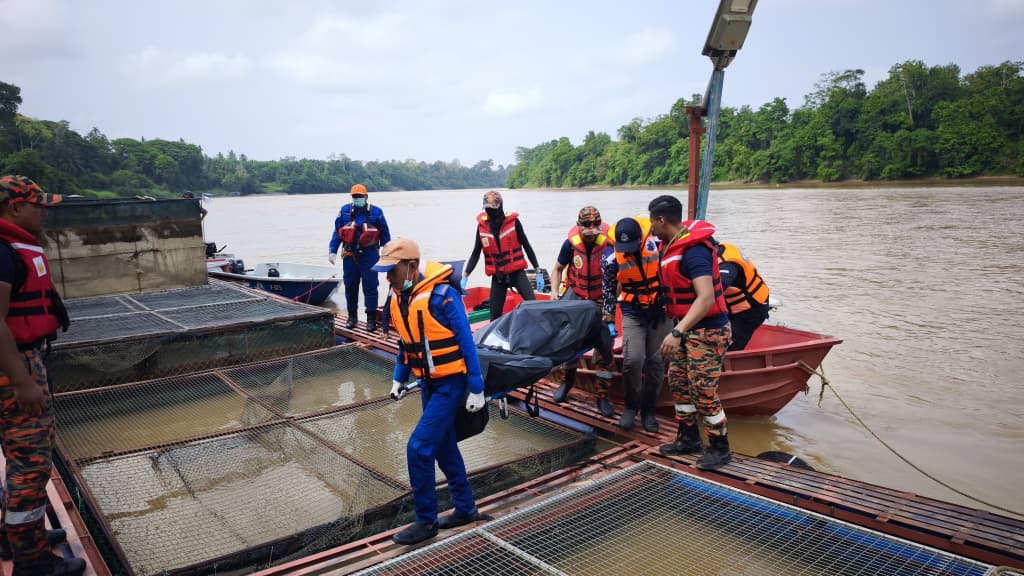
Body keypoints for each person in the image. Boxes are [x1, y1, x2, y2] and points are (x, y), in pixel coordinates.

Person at [374, 238, 485, 546]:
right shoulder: (399, 297)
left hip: (451, 384)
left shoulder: (444, 297)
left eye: (391, 271)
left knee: (418, 447)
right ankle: (465, 509)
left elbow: (467, 343)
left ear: (411, 267)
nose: (387, 278)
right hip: (427, 383)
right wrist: (399, 377)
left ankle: (426, 522)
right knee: (444, 446)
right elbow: (405, 343)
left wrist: (476, 388)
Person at [0, 176, 83, 576]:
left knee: (23, 457)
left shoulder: (11, 246)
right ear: (14, 208)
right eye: (37, 205)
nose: (43, 212)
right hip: (11, 368)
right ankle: (30, 563)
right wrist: (21, 381)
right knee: (31, 463)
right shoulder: (2, 252)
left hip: (21, 361)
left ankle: (19, 535)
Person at [648, 195, 733, 471]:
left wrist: (676, 332)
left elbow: (706, 297)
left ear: (661, 220)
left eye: (652, 222)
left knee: (703, 390)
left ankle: (720, 448)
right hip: (685, 329)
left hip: (707, 330)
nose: (651, 228)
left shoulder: (693, 251)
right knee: (679, 383)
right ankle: (688, 439)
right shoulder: (669, 246)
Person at [603, 216, 671, 432]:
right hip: (632, 311)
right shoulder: (611, 257)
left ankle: (649, 411)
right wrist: (609, 320)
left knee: (656, 361)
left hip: (660, 310)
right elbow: (608, 290)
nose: (629, 251)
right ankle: (631, 407)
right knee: (633, 360)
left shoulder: (658, 244)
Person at [550, 206, 616, 418]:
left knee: (605, 347)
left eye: (595, 225)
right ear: (578, 226)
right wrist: (554, 293)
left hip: (600, 301)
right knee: (570, 343)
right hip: (577, 299)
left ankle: (602, 396)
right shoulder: (570, 244)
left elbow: (620, 274)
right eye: (586, 226)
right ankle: (566, 383)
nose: (590, 230)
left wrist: (610, 304)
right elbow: (558, 269)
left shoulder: (608, 244)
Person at [462, 191, 539, 321]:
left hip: (517, 274)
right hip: (498, 277)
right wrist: (465, 275)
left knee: (534, 305)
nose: (489, 212)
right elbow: (476, 252)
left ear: (499, 206)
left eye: (491, 209)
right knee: (494, 315)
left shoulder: (514, 223)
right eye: (486, 209)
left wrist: (538, 269)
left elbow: (526, 245)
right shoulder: (482, 227)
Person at [328, 183, 391, 332]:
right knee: (350, 287)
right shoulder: (344, 211)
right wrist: (332, 250)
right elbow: (337, 233)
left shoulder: (377, 212)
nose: (357, 199)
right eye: (355, 196)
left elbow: (385, 234)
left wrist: (387, 252)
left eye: (360, 196)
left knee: (370, 287)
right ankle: (352, 317)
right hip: (350, 256)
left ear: (366, 197)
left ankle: (370, 319)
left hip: (370, 255)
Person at [715, 239, 770, 351]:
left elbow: (713, 291)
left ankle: (731, 364)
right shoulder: (720, 249)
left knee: (730, 346)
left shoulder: (727, 265)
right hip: (734, 306)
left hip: (751, 309)